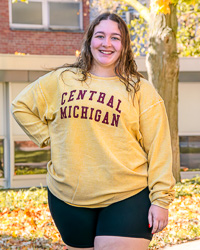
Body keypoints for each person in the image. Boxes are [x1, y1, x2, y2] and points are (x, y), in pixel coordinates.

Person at [11, 12, 176, 250]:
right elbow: (21, 105)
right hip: (68, 198)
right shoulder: (63, 80)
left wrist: (161, 200)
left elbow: (159, 148)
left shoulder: (141, 90)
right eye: (100, 36)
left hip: (127, 195)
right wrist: (48, 136)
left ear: (125, 45)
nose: (106, 43)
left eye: (115, 38)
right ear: (89, 41)